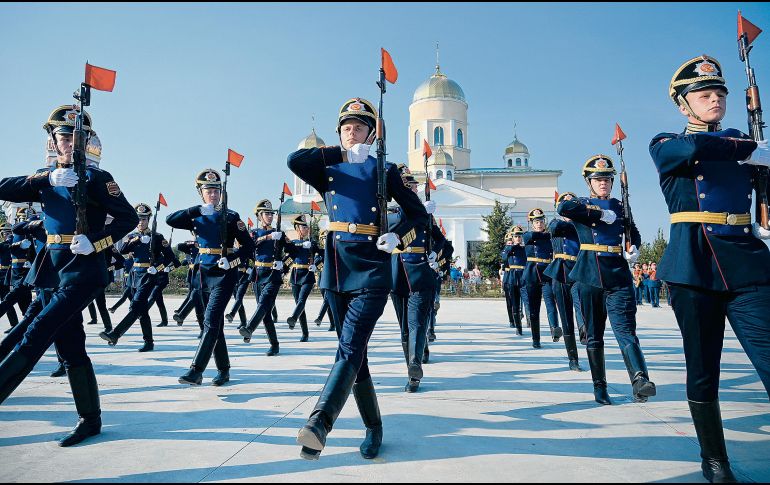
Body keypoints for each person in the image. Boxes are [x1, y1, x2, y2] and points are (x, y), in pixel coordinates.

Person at [649, 54, 770, 482]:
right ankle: (715, 460)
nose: (715, 99)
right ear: (683, 105)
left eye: (720, 93)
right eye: (703, 94)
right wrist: (751, 149)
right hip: (693, 267)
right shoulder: (667, 142)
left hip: (748, 264)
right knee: (703, 370)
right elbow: (693, 149)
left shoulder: (745, 143)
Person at [289, 97, 428, 460]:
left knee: (349, 348)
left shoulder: (386, 170)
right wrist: (340, 153)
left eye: (360, 127)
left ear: (372, 134)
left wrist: (398, 236)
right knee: (355, 354)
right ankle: (374, 427)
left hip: (372, 269)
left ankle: (319, 423)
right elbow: (294, 160)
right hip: (336, 269)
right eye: (347, 128)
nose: (352, 133)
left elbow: (418, 216)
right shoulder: (328, 168)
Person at [0, 102, 137, 446]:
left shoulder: (97, 178)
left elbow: (129, 218)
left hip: (82, 270)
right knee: (71, 346)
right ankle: (90, 420)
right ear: (53, 141)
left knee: (36, 333)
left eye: (77, 137)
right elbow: (3, 187)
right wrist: (47, 178)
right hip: (51, 270)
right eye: (64, 137)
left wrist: (96, 241)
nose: (70, 142)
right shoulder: (44, 177)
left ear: (86, 142)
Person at [558, 154, 656, 406]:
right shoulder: (581, 204)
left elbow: (633, 231)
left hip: (618, 274)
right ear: (589, 182)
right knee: (594, 335)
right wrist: (601, 214)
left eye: (607, 179)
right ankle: (600, 387)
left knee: (626, 331)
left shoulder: (621, 206)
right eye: (598, 179)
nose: (603, 183)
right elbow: (563, 208)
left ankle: (640, 379)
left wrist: (635, 247)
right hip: (589, 273)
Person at [167, 168, 256, 385]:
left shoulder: (231, 216)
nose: (213, 195)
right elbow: (171, 220)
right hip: (202, 274)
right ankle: (224, 370)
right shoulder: (197, 215)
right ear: (201, 193)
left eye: (216, 191)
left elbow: (249, 247)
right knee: (213, 325)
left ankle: (196, 370)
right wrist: (196, 210)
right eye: (208, 191)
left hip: (224, 274)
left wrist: (232, 260)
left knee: (211, 320)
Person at [388, 169, 443, 393]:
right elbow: (394, 226)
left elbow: (443, 243)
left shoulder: (424, 215)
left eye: (413, 187)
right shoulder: (391, 213)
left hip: (420, 272)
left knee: (417, 324)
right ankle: (411, 369)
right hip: (396, 274)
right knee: (404, 328)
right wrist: (416, 211)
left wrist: (436, 254)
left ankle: (414, 368)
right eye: (406, 187)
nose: (412, 190)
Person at [99, 203, 172, 352]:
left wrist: (157, 268)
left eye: (144, 219)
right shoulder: (132, 236)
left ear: (148, 220)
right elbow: (122, 250)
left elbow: (170, 257)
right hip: (133, 275)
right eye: (139, 219)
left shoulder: (157, 237)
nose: (141, 222)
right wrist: (137, 240)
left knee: (135, 306)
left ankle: (115, 334)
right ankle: (149, 342)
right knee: (142, 310)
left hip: (148, 275)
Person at [238, 199, 285, 356]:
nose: (270, 216)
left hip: (273, 274)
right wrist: (267, 237)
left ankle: (249, 328)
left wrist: (283, 264)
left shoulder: (279, 233)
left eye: (271, 214)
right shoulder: (254, 233)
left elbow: (294, 252)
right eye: (266, 214)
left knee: (264, 304)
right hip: (258, 274)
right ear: (259, 216)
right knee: (265, 313)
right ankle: (274, 344)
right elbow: (249, 247)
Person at [545, 192, 584, 370]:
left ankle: (583, 330)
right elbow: (556, 228)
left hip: (578, 271)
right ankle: (573, 359)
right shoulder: (555, 223)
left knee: (580, 302)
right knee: (566, 318)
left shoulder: (582, 224)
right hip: (560, 272)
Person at [522, 208, 562, 348]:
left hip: (547, 273)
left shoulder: (549, 236)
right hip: (532, 274)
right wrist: (548, 233)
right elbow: (532, 236)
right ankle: (536, 339)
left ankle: (554, 329)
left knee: (551, 303)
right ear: (532, 223)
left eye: (541, 221)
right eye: (536, 222)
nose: (539, 224)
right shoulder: (528, 235)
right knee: (534, 309)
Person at [284, 214, 323, 342]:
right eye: (303, 227)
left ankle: (293, 318)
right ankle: (305, 333)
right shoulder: (293, 243)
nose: (306, 229)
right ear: (297, 228)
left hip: (307, 275)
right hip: (295, 275)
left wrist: (316, 266)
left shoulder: (312, 243)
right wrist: (282, 269)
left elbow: (323, 255)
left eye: (307, 227)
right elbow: (288, 256)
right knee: (299, 304)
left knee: (301, 301)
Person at [500, 225, 527, 335]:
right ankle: (518, 327)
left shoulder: (524, 248)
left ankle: (529, 320)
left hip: (524, 277)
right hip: (512, 278)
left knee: (527, 301)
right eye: (516, 236)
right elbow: (504, 257)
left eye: (519, 236)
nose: (518, 238)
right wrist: (512, 246)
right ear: (512, 238)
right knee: (514, 304)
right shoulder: (508, 249)